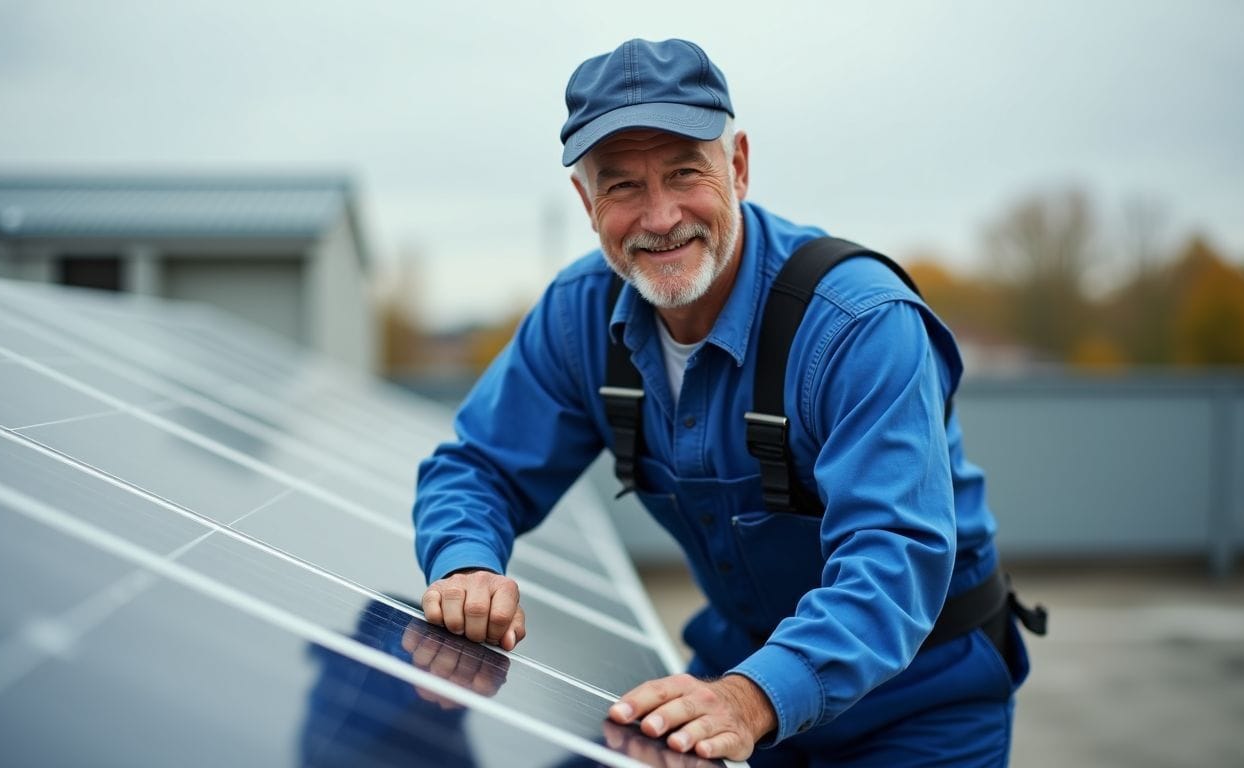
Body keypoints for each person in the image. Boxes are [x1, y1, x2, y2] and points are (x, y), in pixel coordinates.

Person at [413, 38, 1040, 766]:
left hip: (920, 702)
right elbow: (476, 468)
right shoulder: (577, 318)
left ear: (738, 165)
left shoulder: (860, 326)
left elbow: (891, 555)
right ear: (586, 203)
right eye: (621, 187)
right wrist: (465, 565)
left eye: (685, 173)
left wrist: (750, 697)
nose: (659, 216)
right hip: (738, 674)